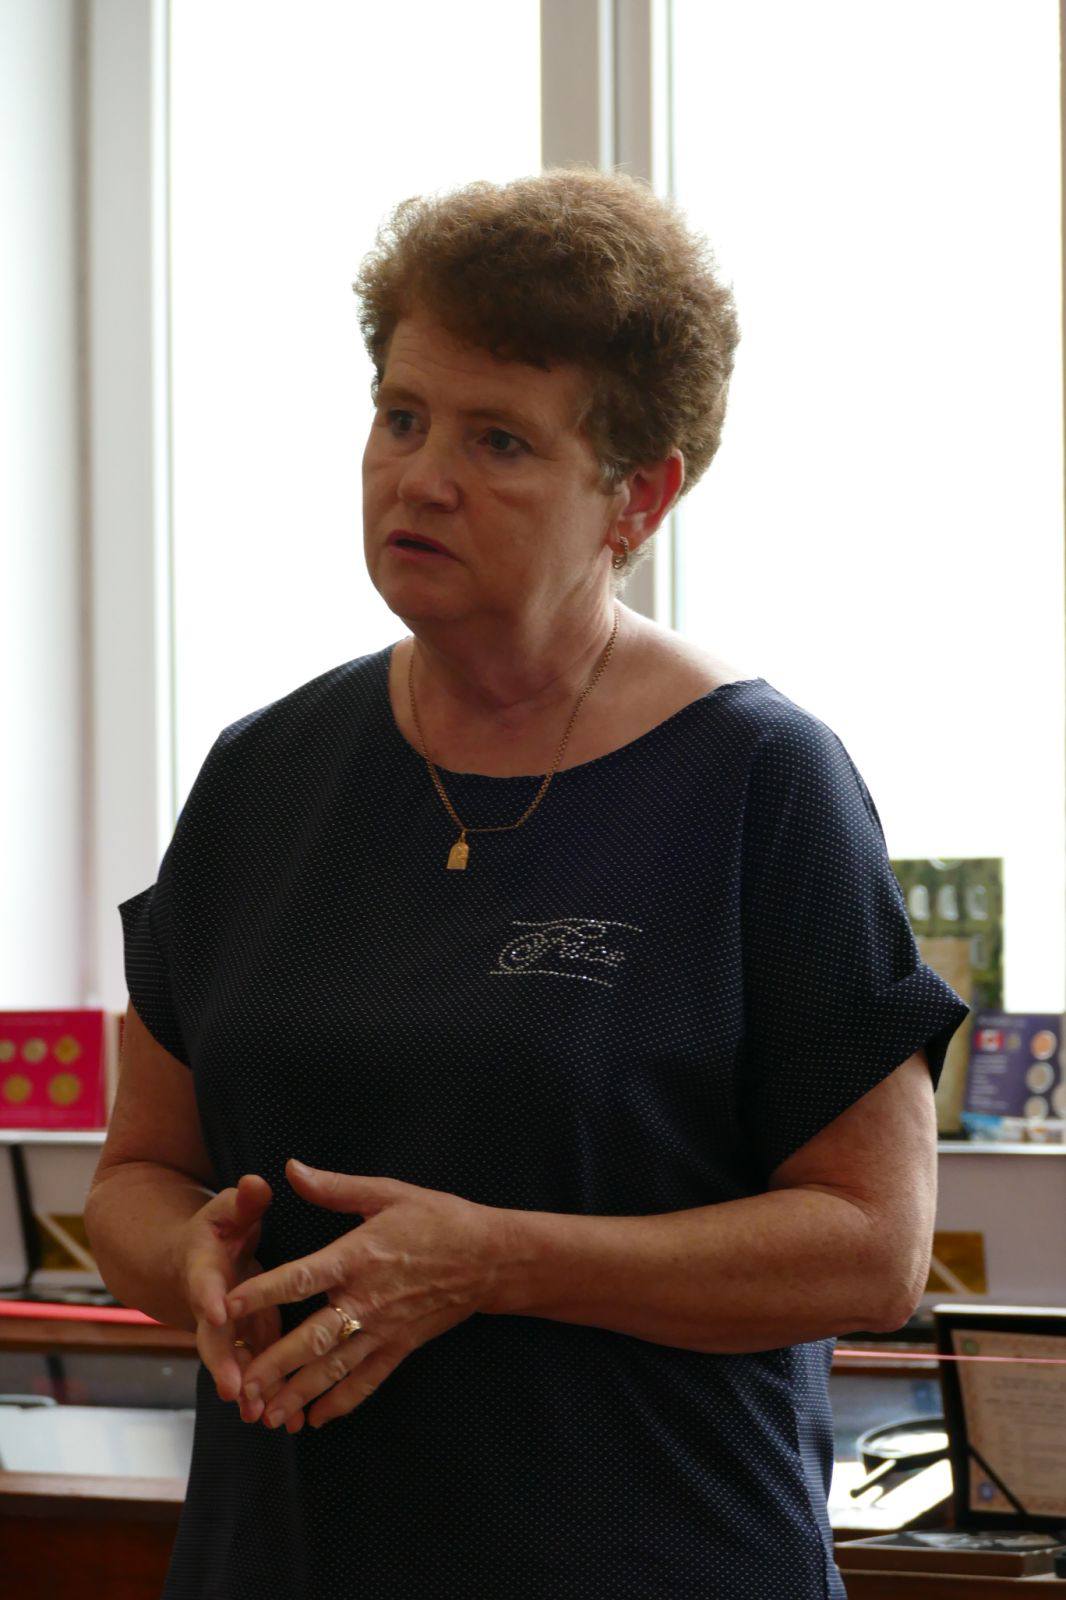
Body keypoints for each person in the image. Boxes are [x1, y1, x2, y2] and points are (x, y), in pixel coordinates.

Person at [86, 164, 971, 1600]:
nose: (420, 476)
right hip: (281, 1562)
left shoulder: (759, 781)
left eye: (499, 441)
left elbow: (872, 1251)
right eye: (401, 417)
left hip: (651, 1558)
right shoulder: (262, 774)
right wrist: (182, 1260)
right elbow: (137, 1173)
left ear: (640, 495)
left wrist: (493, 1262)